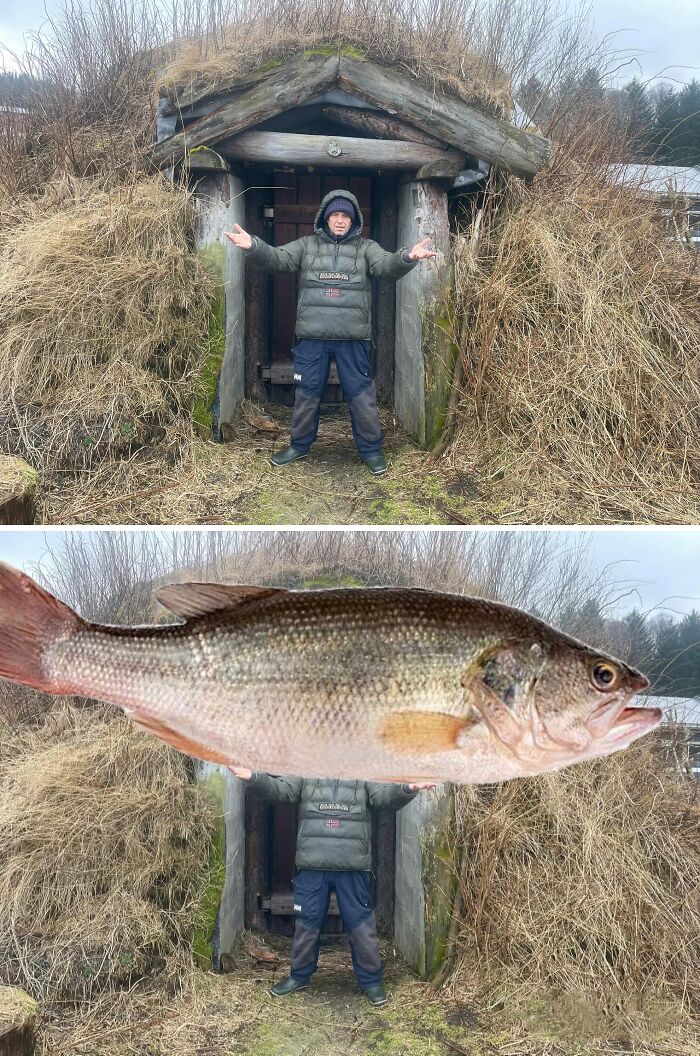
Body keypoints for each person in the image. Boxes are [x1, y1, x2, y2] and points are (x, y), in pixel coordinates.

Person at [224, 189, 437, 476]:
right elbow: (278, 259)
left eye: (345, 216)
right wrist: (254, 246)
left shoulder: (366, 248)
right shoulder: (307, 245)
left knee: (361, 396)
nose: (339, 220)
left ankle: (371, 451)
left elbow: (386, 266)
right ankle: (299, 445)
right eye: (334, 215)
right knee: (307, 394)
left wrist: (407, 257)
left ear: (353, 220)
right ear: (325, 218)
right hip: (312, 337)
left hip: (353, 338)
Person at [229, 766, 435, 1005]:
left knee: (361, 926)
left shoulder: (363, 767)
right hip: (312, 863)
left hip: (353, 865)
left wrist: (408, 788)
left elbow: (383, 798)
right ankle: (299, 976)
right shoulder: (308, 764)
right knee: (307, 924)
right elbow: (281, 790)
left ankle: (371, 981)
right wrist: (253, 778)